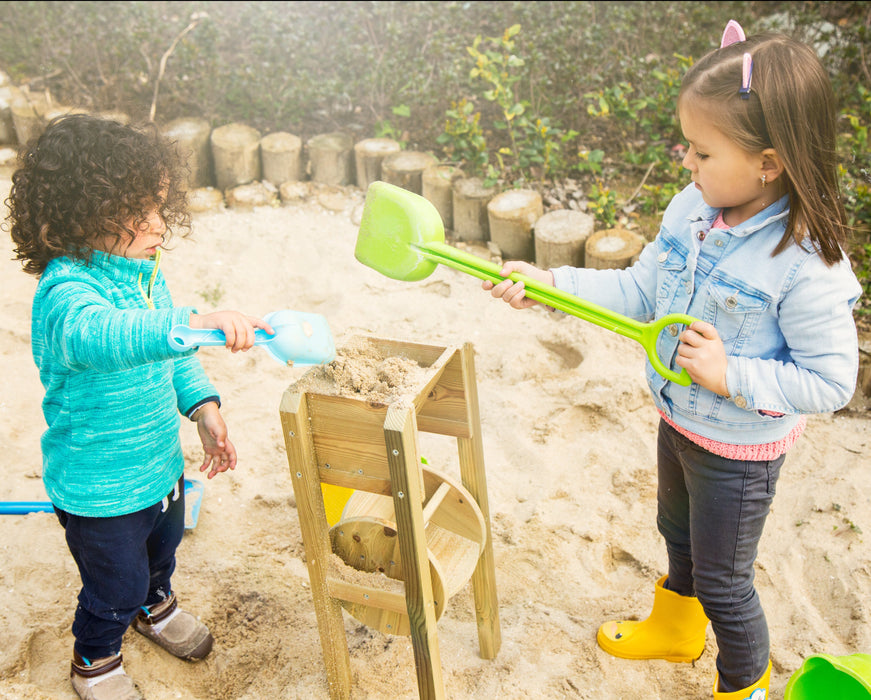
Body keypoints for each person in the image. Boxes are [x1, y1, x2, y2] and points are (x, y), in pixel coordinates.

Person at [482, 20, 861, 700]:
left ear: (767, 162)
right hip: (677, 419)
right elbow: (636, 290)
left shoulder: (807, 266)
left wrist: (730, 375)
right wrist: (547, 288)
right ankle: (676, 629)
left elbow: (831, 382)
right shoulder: (692, 206)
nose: (685, 163)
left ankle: (741, 685)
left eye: (701, 152)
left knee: (725, 580)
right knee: (675, 535)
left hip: (738, 453)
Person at [5, 113, 274, 700]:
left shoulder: (144, 273)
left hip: (158, 465)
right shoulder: (65, 293)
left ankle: (155, 606)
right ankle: (95, 660)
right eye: (139, 211)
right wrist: (194, 323)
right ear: (86, 216)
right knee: (113, 584)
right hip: (99, 487)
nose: (159, 224)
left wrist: (203, 408)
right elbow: (106, 335)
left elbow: (171, 356)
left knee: (162, 549)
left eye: (158, 206)